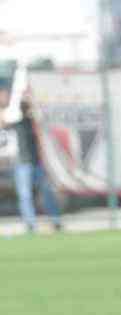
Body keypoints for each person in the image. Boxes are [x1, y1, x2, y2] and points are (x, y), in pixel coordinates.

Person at [0, 72, 62, 233]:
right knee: (25, 194)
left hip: (35, 159)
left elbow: (31, 109)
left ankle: (56, 220)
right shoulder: (9, 115)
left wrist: (25, 104)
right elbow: (4, 121)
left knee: (46, 191)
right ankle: (30, 224)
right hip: (21, 161)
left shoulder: (24, 112)